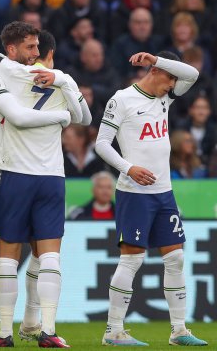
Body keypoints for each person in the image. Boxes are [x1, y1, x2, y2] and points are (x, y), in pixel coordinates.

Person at [0, 22, 87, 348]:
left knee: (37, 249)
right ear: (13, 50)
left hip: (18, 173)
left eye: (38, 48)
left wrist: (61, 82)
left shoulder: (30, 78)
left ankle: (32, 322)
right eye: (30, 48)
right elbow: (17, 115)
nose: (37, 54)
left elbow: (81, 113)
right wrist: (61, 117)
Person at [95, 51, 208, 346]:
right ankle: (113, 331)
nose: (173, 84)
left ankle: (179, 330)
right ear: (154, 72)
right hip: (134, 193)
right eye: (169, 78)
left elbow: (192, 74)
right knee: (132, 260)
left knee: (176, 258)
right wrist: (128, 167)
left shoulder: (164, 97)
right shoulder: (121, 100)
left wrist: (157, 59)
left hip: (164, 193)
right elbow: (102, 144)